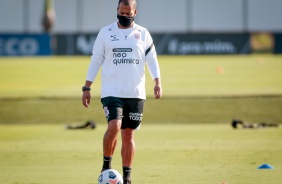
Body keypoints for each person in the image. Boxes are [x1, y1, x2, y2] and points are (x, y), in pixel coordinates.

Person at [81, 0, 162, 183]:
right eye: (122, 13)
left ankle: (127, 178)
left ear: (135, 12)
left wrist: (157, 82)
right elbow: (96, 60)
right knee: (114, 126)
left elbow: (152, 59)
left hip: (135, 92)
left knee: (128, 133)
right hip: (112, 91)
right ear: (117, 10)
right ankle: (106, 166)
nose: (124, 16)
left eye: (128, 13)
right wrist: (87, 87)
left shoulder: (143, 34)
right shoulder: (106, 33)